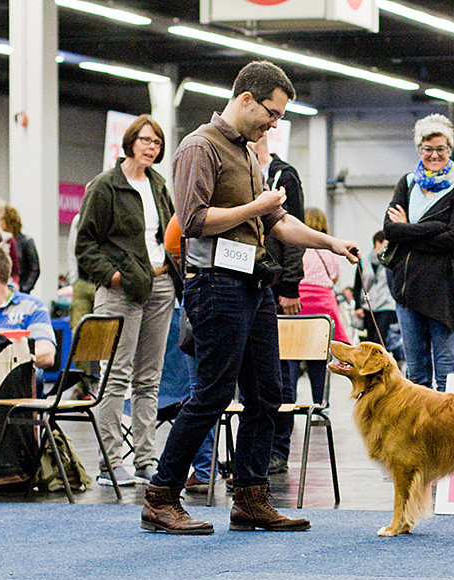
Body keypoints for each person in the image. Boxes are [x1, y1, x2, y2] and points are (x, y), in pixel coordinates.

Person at [142, 60, 358, 535]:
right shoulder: (199, 146)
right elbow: (192, 221)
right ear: (246, 99)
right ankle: (160, 496)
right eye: (272, 113)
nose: (273, 124)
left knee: (267, 396)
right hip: (214, 284)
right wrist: (256, 206)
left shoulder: (249, 153)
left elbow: (276, 223)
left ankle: (251, 498)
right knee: (213, 394)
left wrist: (330, 243)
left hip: (253, 284)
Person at [75, 114, 180, 488]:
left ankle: (145, 458)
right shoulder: (105, 186)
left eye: (157, 142)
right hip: (121, 290)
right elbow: (85, 245)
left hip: (161, 284)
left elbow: (169, 232)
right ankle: (110, 462)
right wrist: (114, 276)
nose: (151, 147)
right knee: (114, 376)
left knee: (149, 378)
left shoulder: (159, 184)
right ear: (130, 142)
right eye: (146, 140)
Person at [383, 113, 454, 391]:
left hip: (446, 295)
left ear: (450, 149)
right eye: (428, 149)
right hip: (408, 291)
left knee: (446, 376)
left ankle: (446, 423)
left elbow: (453, 239)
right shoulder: (407, 183)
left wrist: (408, 229)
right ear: (419, 149)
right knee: (416, 376)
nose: (434, 155)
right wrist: (434, 227)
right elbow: (389, 230)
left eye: (441, 148)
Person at [252, 135, 305, 475]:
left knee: (282, 373)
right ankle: (253, 452)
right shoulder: (238, 170)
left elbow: (295, 230)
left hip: (277, 286)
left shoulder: (285, 175)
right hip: (250, 282)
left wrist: (290, 285)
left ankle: (278, 450)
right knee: (253, 376)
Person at [298, 207, 352, 403]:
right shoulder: (330, 250)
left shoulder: (297, 247)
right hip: (323, 307)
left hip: (299, 305)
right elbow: (335, 276)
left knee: (292, 355)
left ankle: (288, 402)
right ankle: (321, 403)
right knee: (320, 357)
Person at [353, 230, 405, 362]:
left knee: (379, 338)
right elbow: (357, 284)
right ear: (378, 243)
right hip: (368, 305)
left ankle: (379, 365)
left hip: (386, 304)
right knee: (370, 339)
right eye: (386, 243)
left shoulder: (391, 260)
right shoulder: (363, 260)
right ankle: (371, 365)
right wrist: (357, 306)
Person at [2, 204, 40, 293]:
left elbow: (35, 269)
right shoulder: (0, 241)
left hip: (19, 290)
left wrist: (24, 289)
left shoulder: (26, 241)